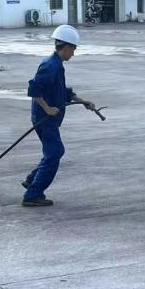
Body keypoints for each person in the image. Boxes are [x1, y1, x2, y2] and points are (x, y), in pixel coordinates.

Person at [21, 25, 98, 208]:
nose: (73, 54)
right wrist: (47, 108)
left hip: (47, 119)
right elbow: (34, 89)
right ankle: (33, 194)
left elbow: (62, 91)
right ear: (66, 47)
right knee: (55, 153)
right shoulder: (50, 66)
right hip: (44, 119)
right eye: (73, 49)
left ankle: (32, 180)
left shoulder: (57, 65)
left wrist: (83, 101)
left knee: (52, 152)